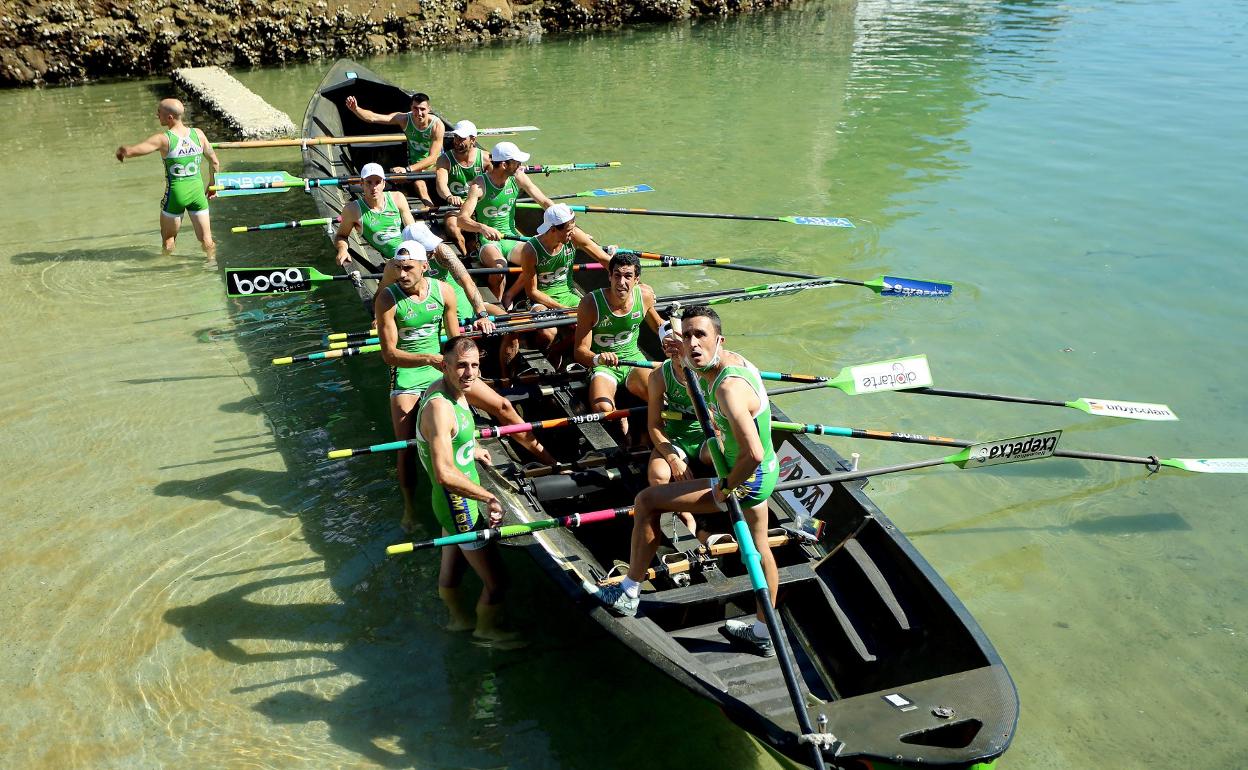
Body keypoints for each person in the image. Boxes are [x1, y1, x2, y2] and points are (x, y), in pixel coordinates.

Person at [585, 305, 781, 658]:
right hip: (768, 471)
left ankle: (629, 591)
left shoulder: (728, 390)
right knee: (760, 545)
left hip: (747, 476)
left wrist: (727, 486)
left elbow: (749, 453)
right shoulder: (735, 363)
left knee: (647, 501)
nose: (692, 343)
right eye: (687, 335)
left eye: (700, 336)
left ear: (718, 340)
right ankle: (763, 631)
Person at [377, 241, 557, 533]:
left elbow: (455, 342)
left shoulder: (444, 291)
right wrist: (427, 358)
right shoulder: (387, 299)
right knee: (407, 447)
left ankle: (551, 461)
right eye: (397, 268)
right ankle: (409, 506)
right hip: (408, 376)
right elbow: (389, 354)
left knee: (503, 406)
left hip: (445, 368)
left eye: (408, 268)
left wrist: (466, 360)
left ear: (425, 267)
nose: (401, 274)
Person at [415, 335, 518, 642]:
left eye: (474, 365)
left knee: (451, 567)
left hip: (451, 500)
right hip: (458, 501)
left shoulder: (453, 391)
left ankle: (457, 620)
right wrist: (489, 497)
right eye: (461, 366)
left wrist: (469, 446)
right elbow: (445, 473)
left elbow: (449, 435)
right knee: (498, 582)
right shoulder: (439, 407)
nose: (470, 372)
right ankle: (485, 631)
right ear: (444, 366)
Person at [115, 98, 219, 260]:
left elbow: (138, 150)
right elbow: (214, 162)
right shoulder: (199, 134)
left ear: (170, 117)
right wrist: (212, 185)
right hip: (198, 192)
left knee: (169, 241)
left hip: (176, 194)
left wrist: (125, 152)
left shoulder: (164, 139)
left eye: (160, 113)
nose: (157, 115)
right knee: (207, 240)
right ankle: (211, 264)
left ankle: (167, 269)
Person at [572, 252, 662, 438]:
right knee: (602, 409)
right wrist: (598, 358)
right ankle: (622, 422)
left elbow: (660, 326)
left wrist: (673, 337)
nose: (622, 282)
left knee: (659, 400)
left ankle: (651, 436)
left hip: (635, 361)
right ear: (609, 276)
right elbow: (580, 352)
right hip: (605, 367)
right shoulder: (590, 303)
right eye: (617, 275)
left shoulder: (645, 295)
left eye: (628, 276)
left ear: (637, 280)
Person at [457, 141, 555, 307]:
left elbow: (544, 201)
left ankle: (510, 296)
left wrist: (565, 219)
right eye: (516, 162)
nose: (520, 165)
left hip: (511, 238)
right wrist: (483, 227)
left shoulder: (518, 178)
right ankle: (496, 307)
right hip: (488, 241)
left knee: (537, 257)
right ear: (504, 164)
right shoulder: (479, 184)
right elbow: (461, 220)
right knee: (499, 268)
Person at [512, 204, 616, 360]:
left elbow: (604, 259)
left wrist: (628, 279)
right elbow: (532, 292)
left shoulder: (574, 236)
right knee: (548, 333)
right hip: (541, 300)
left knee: (598, 323)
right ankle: (535, 349)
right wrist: (562, 309)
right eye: (568, 230)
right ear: (553, 230)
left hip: (569, 294)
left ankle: (557, 351)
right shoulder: (530, 250)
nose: (572, 233)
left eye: (573, 229)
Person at [645, 320, 707, 537]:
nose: (674, 348)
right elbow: (654, 424)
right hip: (676, 438)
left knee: (728, 461)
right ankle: (686, 515)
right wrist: (672, 458)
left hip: (707, 436)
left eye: (679, 342)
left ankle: (723, 514)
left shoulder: (707, 370)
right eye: (668, 344)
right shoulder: (659, 375)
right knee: (658, 476)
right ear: (663, 348)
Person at [345, 92, 443, 206]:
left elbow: (433, 158)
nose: (419, 113)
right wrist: (356, 109)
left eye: (422, 109)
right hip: (415, 167)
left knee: (424, 181)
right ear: (411, 108)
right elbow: (373, 117)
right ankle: (428, 208)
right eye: (415, 109)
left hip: (436, 166)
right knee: (415, 182)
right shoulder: (404, 118)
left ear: (429, 109)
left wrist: (407, 170)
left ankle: (431, 206)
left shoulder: (437, 125)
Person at [333, 162, 417, 267]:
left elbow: (413, 231)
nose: (373, 187)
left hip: (413, 253)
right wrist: (342, 250)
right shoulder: (352, 210)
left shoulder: (398, 198)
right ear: (361, 183)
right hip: (394, 262)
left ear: (384, 183)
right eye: (369, 182)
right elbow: (341, 236)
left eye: (377, 182)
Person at [434, 120, 491, 255]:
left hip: (478, 205)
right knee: (452, 228)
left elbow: (498, 179)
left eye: (462, 139)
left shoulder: (486, 158)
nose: (457, 142)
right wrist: (449, 196)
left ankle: (478, 249)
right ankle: (468, 258)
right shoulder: (444, 159)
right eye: (456, 137)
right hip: (455, 207)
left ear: (473, 139)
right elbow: (440, 185)